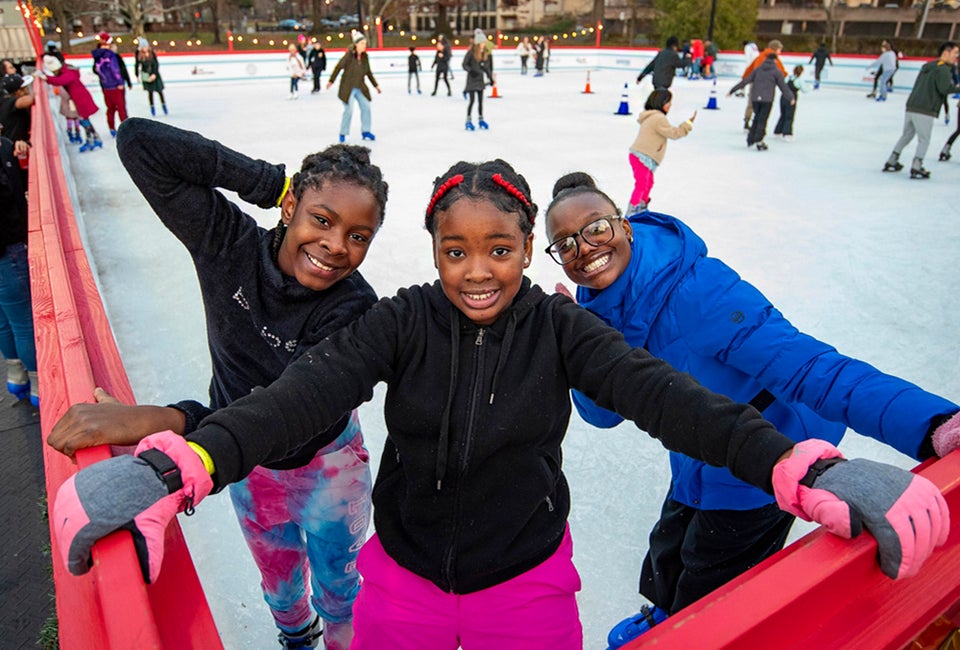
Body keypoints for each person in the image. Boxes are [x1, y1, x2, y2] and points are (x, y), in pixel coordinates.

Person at [53, 157, 951, 650]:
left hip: (526, 592)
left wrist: (806, 467)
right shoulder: (399, 322)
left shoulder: (566, 331)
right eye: (455, 250)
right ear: (435, 251)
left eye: (499, 248)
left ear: (528, 249)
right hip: (399, 586)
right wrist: (187, 461)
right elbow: (299, 397)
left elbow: (674, 403)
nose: (477, 272)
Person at [541, 172, 960, 649]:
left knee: (713, 570)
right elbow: (603, 415)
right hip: (698, 445)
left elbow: (812, 368)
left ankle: (688, 626)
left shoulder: (701, 290)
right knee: (670, 547)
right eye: (566, 243)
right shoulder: (598, 306)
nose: (585, 248)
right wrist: (582, 338)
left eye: (595, 228)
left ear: (625, 224)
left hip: (768, 449)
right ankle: (664, 612)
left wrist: (935, 424)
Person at [49, 117, 389, 650]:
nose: (334, 245)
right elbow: (140, 143)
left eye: (358, 236)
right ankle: (297, 639)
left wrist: (174, 421)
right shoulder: (227, 242)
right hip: (243, 466)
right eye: (320, 219)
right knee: (279, 585)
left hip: (328, 471)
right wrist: (271, 182)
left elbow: (290, 415)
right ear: (291, 206)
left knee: (341, 586)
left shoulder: (353, 309)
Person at [883, 41, 960, 179]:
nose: (956, 56)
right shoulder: (943, 70)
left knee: (906, 135)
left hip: (912, 106)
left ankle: (892, 160)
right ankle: (917, 165)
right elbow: (944, 89)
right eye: (955, 53)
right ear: (945, 53)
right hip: (925, 109)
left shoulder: (929, 66)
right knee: (924, 139)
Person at [0, 130, 37, 407]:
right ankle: (38, 386)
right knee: (23, 322)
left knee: (4, 321)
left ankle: (17, 377)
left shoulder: (6, 147)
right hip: (8, 249)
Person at [628, 89, 695, 212]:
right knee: (642, 184)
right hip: (642, 155)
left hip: (642, 155)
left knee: (647, 183)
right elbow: (674, 133)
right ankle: (632, 212)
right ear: (661, 102)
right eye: (668, 102)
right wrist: (687, 124)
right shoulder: (658, 118)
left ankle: (641, 208)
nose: (670, 105)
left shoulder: (653, 116)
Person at [728, 52, 794, 151]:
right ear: (775, 60)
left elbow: (746, 80)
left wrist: (732, 90)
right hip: (767, 99)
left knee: (757, 118)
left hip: (755, 98)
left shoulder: (758, 70)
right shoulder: (776, 72)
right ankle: (759, 140)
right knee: (763, 119)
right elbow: (783, 87)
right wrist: (791, 97)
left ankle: (751, 139)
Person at [37, 55, 103, 152]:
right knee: (84, 120)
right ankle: (95, 138)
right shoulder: (66, 70)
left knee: (84, 120)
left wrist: (45, 77)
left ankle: (92, 140)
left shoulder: (68, 73)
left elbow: (59, 81)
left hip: (81, 99)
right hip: (78, 99)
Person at [327, 30, 380, 143]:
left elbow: (368, 72)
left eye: (365, 44)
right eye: (362, 43)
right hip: (348, 88)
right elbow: (338, 67)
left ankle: (366, 131)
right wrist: (331, 81)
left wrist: (376, 85)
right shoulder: (349, 56)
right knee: (349, 110)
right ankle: (343, 133)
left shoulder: (365, 57)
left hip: (360, 87)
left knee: (366, 107)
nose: (364, 46)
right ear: (356, 44)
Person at [739, 39, 786, 132]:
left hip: (755, 82)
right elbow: (781, 72)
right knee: (764, 105)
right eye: (779, 49)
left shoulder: (760, 56)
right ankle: (758, 125)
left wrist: (745, 79)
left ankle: (747, 121)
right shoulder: (774, 58)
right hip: (766, 85)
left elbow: (750, 69)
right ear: (775, 48)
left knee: (751, 102)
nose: (780, 51)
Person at [91, 32, 129, 137]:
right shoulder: (110, 55)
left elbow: (96, 69)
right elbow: (115, 69)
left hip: (105, 86)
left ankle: (111, 128)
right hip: (115, 86)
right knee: (121, 107)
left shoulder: (97, 56)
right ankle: (126, 129)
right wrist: (120, 82)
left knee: (110, 108)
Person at [463, 29, 494, 131]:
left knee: (481, 101)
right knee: (472, 101)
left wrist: (491, 78)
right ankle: (468, 120)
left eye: (484, 43)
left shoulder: (485, 53)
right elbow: (464, 64)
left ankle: (481, 119)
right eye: (481, 43)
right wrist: (471, 71)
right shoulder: (471, 52)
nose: (483, 44)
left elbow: (486, 68)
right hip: (472, 80)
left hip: (480, 80)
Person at [773, 64, 807, 140]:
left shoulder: (788, 77)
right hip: (792, 98)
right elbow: (805, 90)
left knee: (783, 114)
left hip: (783, 97)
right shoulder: (799, 80)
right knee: (789, 115)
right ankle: (787, 133)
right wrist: (810, 87)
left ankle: (778, 131)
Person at [134, 42, 167, 116]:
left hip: (154, 74)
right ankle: (152, 107)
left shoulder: (152, 53)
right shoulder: (139, 55)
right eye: (143, 47)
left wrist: (154, 74)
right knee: (150, 92)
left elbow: (156, 64)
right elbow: (136, 65)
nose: (145, 48)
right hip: (146, 75)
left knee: (160, 91)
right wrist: (137, 75)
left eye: (146, 46)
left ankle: (163, 105)